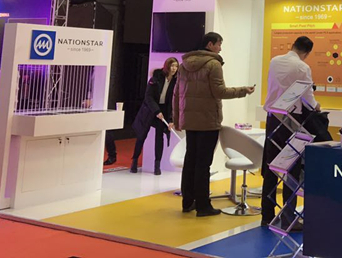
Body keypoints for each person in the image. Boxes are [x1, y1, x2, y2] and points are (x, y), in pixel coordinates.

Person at [173, 32, 255, 217]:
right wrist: (243, 90)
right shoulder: (213, 64)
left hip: (190, 121)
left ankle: (188, 202)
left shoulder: (184, 65)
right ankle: (203, 206)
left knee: (190, 161)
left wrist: (178, 119)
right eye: (219, 44)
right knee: (203, 164)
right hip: (208, 120)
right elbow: (219, 92)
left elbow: (177, 94)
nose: (220, 48)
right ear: (210, 45)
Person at [261, 36, 320, 230]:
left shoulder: (274, 61)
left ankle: (267, 216)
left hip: (272, 119)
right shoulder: (302, 67)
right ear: (307, 53)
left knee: (271, 168)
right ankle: (288, 219)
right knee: (291, 169)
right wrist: (316, 106)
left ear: (292, 46)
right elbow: (308, 99)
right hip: (290, 121)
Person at [131, 56, 179, 175]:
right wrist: (156, 111)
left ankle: (157, 165)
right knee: (142, 135)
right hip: (150, 109)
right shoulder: (156, 77)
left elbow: (173, 101)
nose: (174, 68)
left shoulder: (175, 81)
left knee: (159, 137)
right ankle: (134, 161)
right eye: (172, 66)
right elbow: (148, 97)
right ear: (167, 66)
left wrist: (171, 119)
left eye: (176, 66)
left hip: (164, 110)